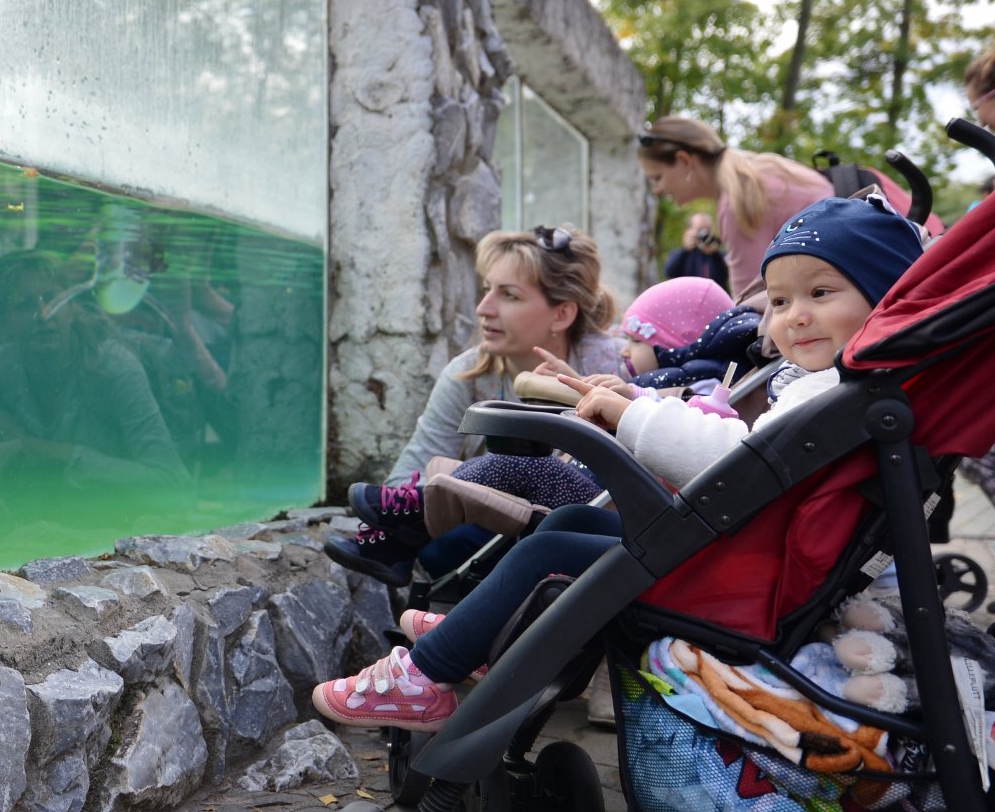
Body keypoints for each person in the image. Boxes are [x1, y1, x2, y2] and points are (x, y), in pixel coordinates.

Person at [310, 195, 926, 732]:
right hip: (751, 558)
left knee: (549, 547)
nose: (793, 316)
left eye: (820, 294)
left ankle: (422, 680)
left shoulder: (834, 392)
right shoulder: (841, 389)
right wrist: (634, 404)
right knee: (565, 524)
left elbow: (740, 462)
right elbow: (751, 448)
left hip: (743, 578)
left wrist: (631, 417)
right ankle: (468, 636)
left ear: (886, 298)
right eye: (782, 300)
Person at [344, 275, 737, 553]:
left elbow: (663, 430)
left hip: (630, 507)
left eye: (635, 339)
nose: (622, 349)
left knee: (519, 468)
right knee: (483, 480)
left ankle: (412, 510)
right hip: (617, 497)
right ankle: (403, 527)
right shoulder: (663, 383)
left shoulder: (701, 393)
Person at [327, 225, 626, 585]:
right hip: (495, 533)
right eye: (487, 289)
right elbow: (405, 480)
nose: (484, 308)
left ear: (561, 315)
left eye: (509, 295)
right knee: (444, 539)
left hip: (593, 532)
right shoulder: (468, 374)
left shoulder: (610, 366)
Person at [0, 250, 189, 497]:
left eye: (53, 299)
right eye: (25, 305)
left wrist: (68, 456)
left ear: (72, 308)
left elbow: (174, 483)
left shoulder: (113, 367)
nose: (44, 314)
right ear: (1, 320)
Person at [637, 116, 832, 296]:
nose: (658, 189)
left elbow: (749, 302)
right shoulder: (756, 172)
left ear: (684, 160)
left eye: (658, 178)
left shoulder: (738, 200)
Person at [663, 212, 728, 289]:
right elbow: (670, 272)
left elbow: (727, 275)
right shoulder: (681, 254)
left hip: (714, 298)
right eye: (700, 229)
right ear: (689, 231)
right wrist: (685, 250)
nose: (705, 233)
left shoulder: (719, 255)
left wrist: (715, 253)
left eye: (708, 229)